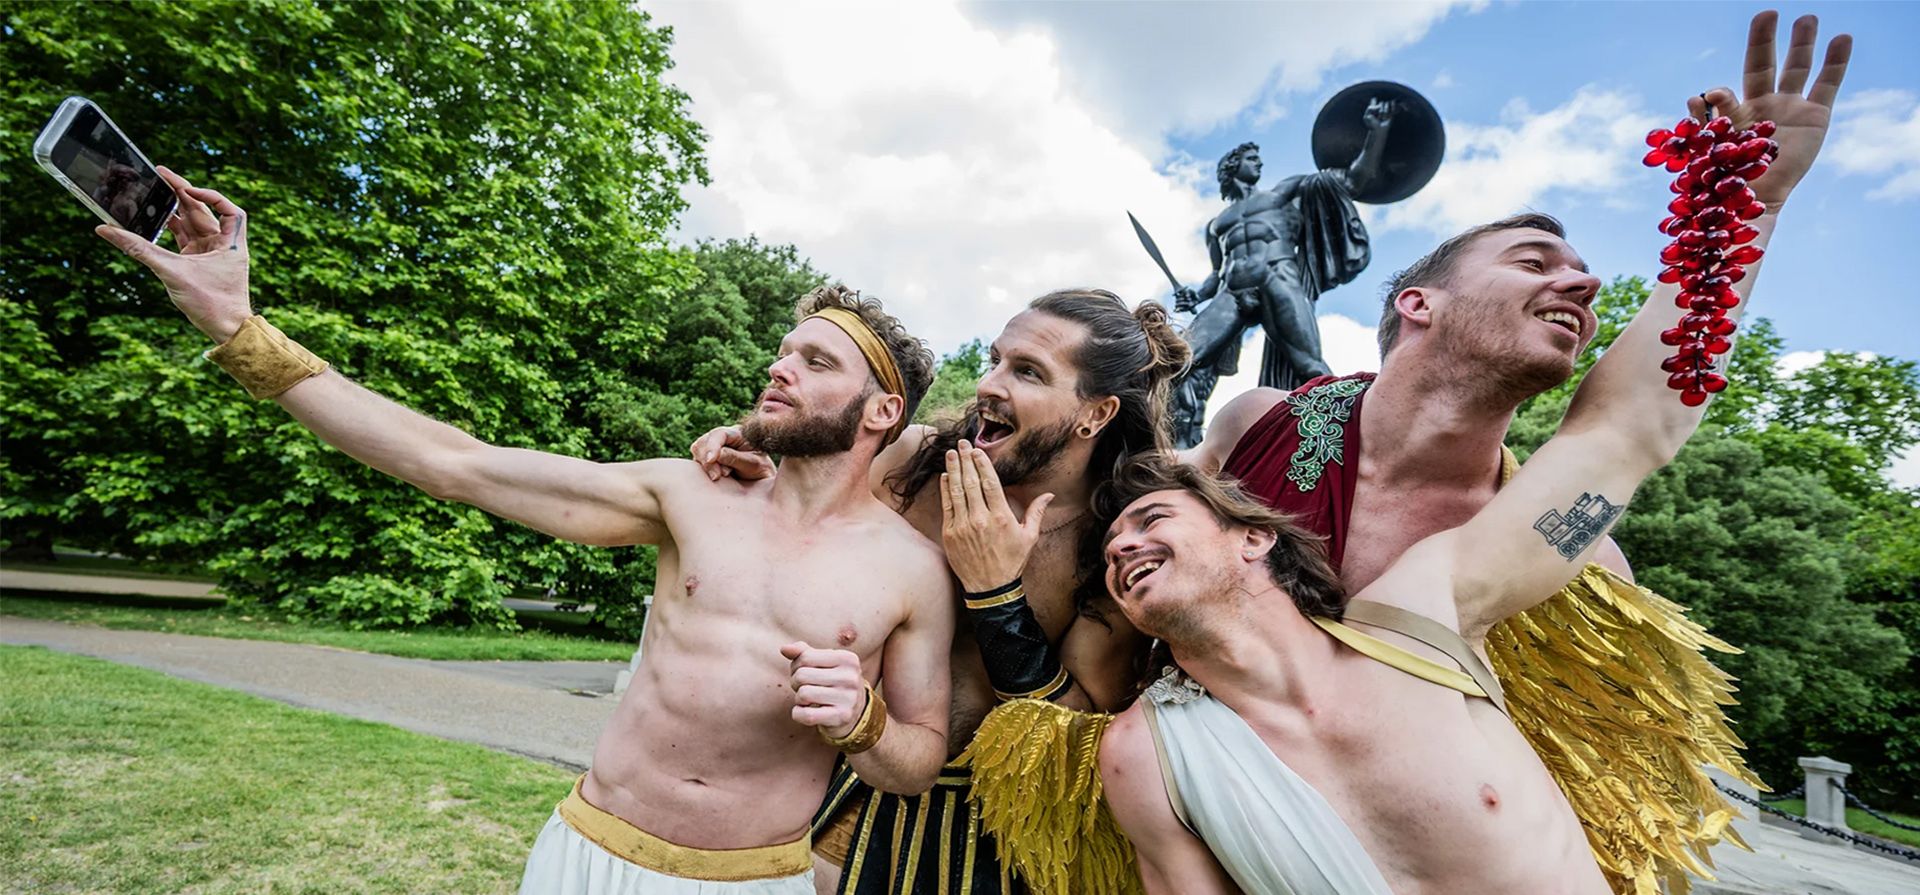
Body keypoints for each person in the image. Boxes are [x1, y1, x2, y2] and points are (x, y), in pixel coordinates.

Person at [96, 190, 957, 895]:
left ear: (882, 411)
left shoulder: (911, 571)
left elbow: (918, 760)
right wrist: (239, 330)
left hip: (754, 878)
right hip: (587, 855)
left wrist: (865, 720)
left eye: (815, 362)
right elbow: (454, 463)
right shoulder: (688, 491)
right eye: (782, 351)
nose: (779, 368)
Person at [1171, 11, 1850, 891]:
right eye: (1535, 261)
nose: (1585, 282)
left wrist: (1747, 206)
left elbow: (1629, 425)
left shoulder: (1578, 556)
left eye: (1580, 274)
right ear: (1419, 305)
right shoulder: (1251, 427)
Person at [691, 290, 1189, 893]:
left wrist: (996, 591)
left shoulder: (1119, 540)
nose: (989, 384)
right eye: (995, 359)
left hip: (991, 839)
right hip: (828, 787)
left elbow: (1076, 729)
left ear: (1096, 414)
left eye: (1027, 372)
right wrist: (750, 454)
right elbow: (801, 526)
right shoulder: (911, 462)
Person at [1165, 98, 1392, 444]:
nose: (1259, 163)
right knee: (1182, 360)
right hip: (1232, 290)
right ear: (1233, 166)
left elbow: (1352, 181)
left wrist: (1377, 132)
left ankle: (1357, 436)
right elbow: (1215, 273)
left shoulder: (1283, 193)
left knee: (1308, 364)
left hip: (1278, 276)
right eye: (1252, 158)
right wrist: (1195, 295)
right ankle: (1182, 442)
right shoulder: (1216, 225)